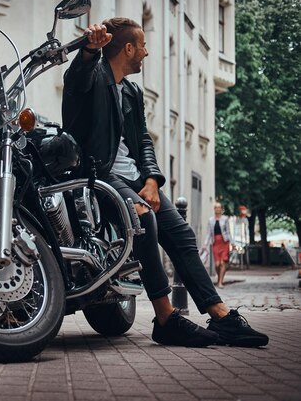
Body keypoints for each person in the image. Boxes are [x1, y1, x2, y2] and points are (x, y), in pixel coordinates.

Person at [62, 18, 268, 347]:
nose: (146, 52)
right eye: (142, 45)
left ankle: (220, 315)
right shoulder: (94, 78)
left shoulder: (131, 90)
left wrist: (153, 180)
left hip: (134, 180)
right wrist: (88, 51)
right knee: (142, 219)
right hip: (98, 176)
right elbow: (76, 79)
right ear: (128, 48)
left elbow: (142, 140)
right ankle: (166, 318)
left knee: (181, 233)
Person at [204, 202, 232, 287]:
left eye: (219, 207)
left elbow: (228, 232)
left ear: (221, 209)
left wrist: (232, 243)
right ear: (214, 209)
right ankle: (219, 277)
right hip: (215, 242)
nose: (218, 209)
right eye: (216, 207)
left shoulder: (225, 219)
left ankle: (220, 282)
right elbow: (208, 233)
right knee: (217, 264)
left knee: (223, 263)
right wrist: (205, 244)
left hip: (224, 242)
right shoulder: (211, 220)